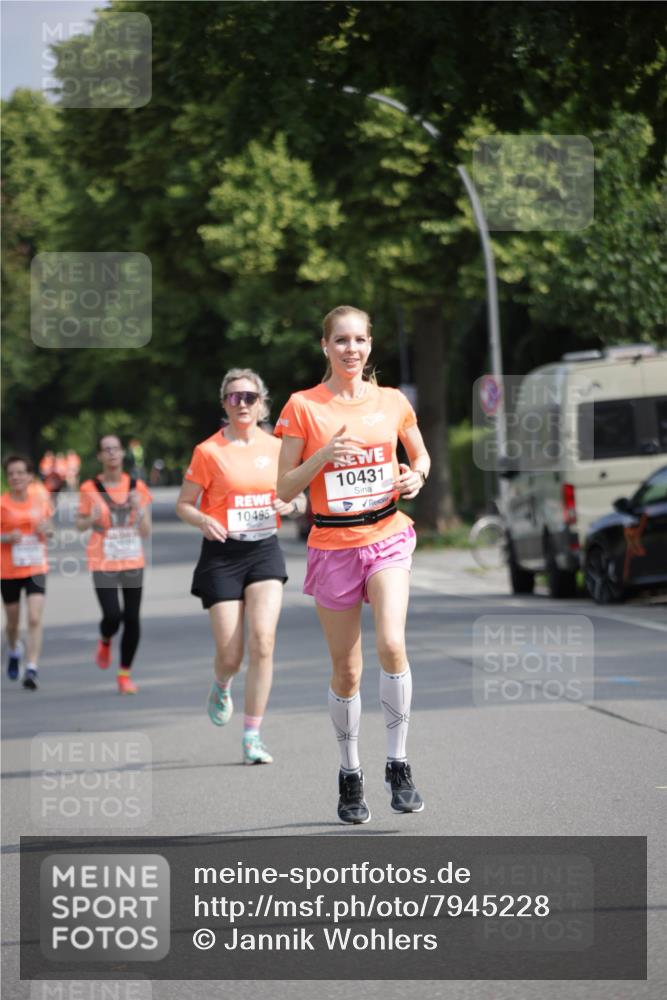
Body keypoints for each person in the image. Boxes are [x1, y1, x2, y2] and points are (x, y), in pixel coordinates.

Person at [276, 304, 431, 824]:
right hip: (333, 544)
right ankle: (350, 773)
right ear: (325, 347)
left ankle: (399, 763)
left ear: (370, 345)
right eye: (340, 340)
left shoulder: (392, 402)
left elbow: (420, 455)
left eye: (359, 340)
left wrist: (417, 476)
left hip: (387, 533)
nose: (351, 349)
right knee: (347, 670)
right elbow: (284, 486)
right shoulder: (303, 406)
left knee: (392, 642)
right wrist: (323, 457)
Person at [176, 368, 305, 765]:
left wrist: (293, 505)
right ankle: (222, 682)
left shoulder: (279, 447)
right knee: (231, 655)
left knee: (263, 641)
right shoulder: (209, 451)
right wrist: (202, 519)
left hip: (264, 549)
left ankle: (252, 735)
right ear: (224, 404)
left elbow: (301, 497)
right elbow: (183, 503)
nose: (243, 404)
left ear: (262, 402)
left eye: (250, 397)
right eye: (234, 397)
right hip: (222, 554)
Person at [76, 435, 152, 694]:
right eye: (106, 449)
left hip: (132, 558)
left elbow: (146, 531)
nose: (111, 454)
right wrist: (92, 518)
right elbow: (79, 525)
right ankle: (106, 639)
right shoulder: (89, 488)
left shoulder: (137, 487)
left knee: (132, 618)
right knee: (112, 615)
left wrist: (139, 510)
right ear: (99, 456)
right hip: (102, 559)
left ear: (122, 454)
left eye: (115, 449)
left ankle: (124, 675)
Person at [1, 455, 54, 690]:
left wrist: (46, 529)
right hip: (9, 570)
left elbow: (51, 529)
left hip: (35, 566)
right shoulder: (2, 504)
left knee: (34, 617)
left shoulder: (40, 500)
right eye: (11, 473)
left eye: (20, 472)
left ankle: (32, 667)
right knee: (13, 623)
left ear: (30, 476)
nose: (16, 477)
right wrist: (6, 537)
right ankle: (14, 649)